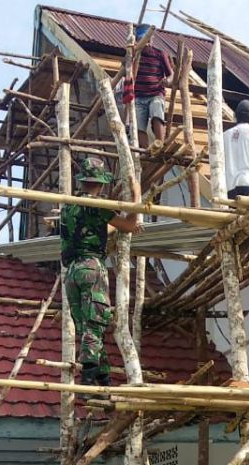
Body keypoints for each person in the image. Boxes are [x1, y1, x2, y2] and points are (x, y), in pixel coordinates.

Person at [59, 157, 142, 386]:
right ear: (101, 183)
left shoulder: (68, 207)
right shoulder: (99, 205)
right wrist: (136, 195)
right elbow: (127, 224)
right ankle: (87, 377)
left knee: (85, 326)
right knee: (96, 322)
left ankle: (102, 376)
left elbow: (93, 229)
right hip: (92, 267)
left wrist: (118, 227)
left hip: (71, 272)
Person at [130, 24, 173, 148]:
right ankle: (145, 150)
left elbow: (171, 75)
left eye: (148, 40)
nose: (147, 43)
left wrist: (167, 81)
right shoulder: (134, 54)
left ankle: (160, 144)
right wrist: (132, 53)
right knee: (138, 126)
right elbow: (126, 70)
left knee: (156, 113)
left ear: (151, 40)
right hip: (138, 96)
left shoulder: (159, 54)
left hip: (155, 93)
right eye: (143, 40)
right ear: (138, 41)